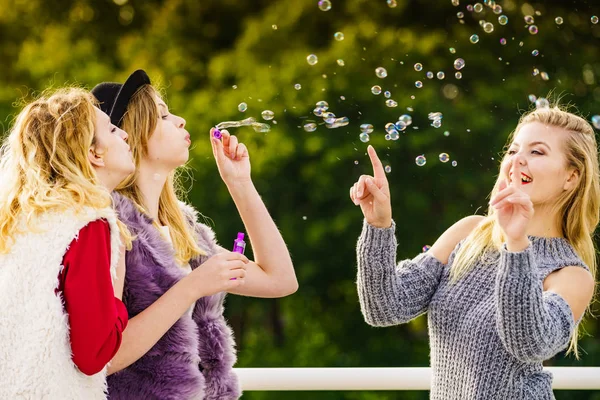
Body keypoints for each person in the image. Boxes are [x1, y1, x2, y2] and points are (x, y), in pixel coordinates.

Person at [350, 106, 598, 399]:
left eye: (537, 152)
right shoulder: (469, 233)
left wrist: (516, 245)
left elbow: (528, 343)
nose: (518, 160)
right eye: (513, 150)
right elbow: (384, 308)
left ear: (571, 177)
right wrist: (378, 225)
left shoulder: (571, 274)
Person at [91, 69, 298, 399]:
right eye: (162, 115)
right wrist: (192, 287)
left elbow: (281, 280)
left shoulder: (187, 233)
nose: (181, 120)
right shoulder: (109, 228)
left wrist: (240, 184)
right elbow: (105, 355)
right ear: (132, 134)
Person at [0, 88, 135, 399]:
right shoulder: (87, 222)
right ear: (93, 153)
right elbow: (92, 354)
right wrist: (116, 298)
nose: (125, 134)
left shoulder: (19, 219)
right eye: (113, 130)